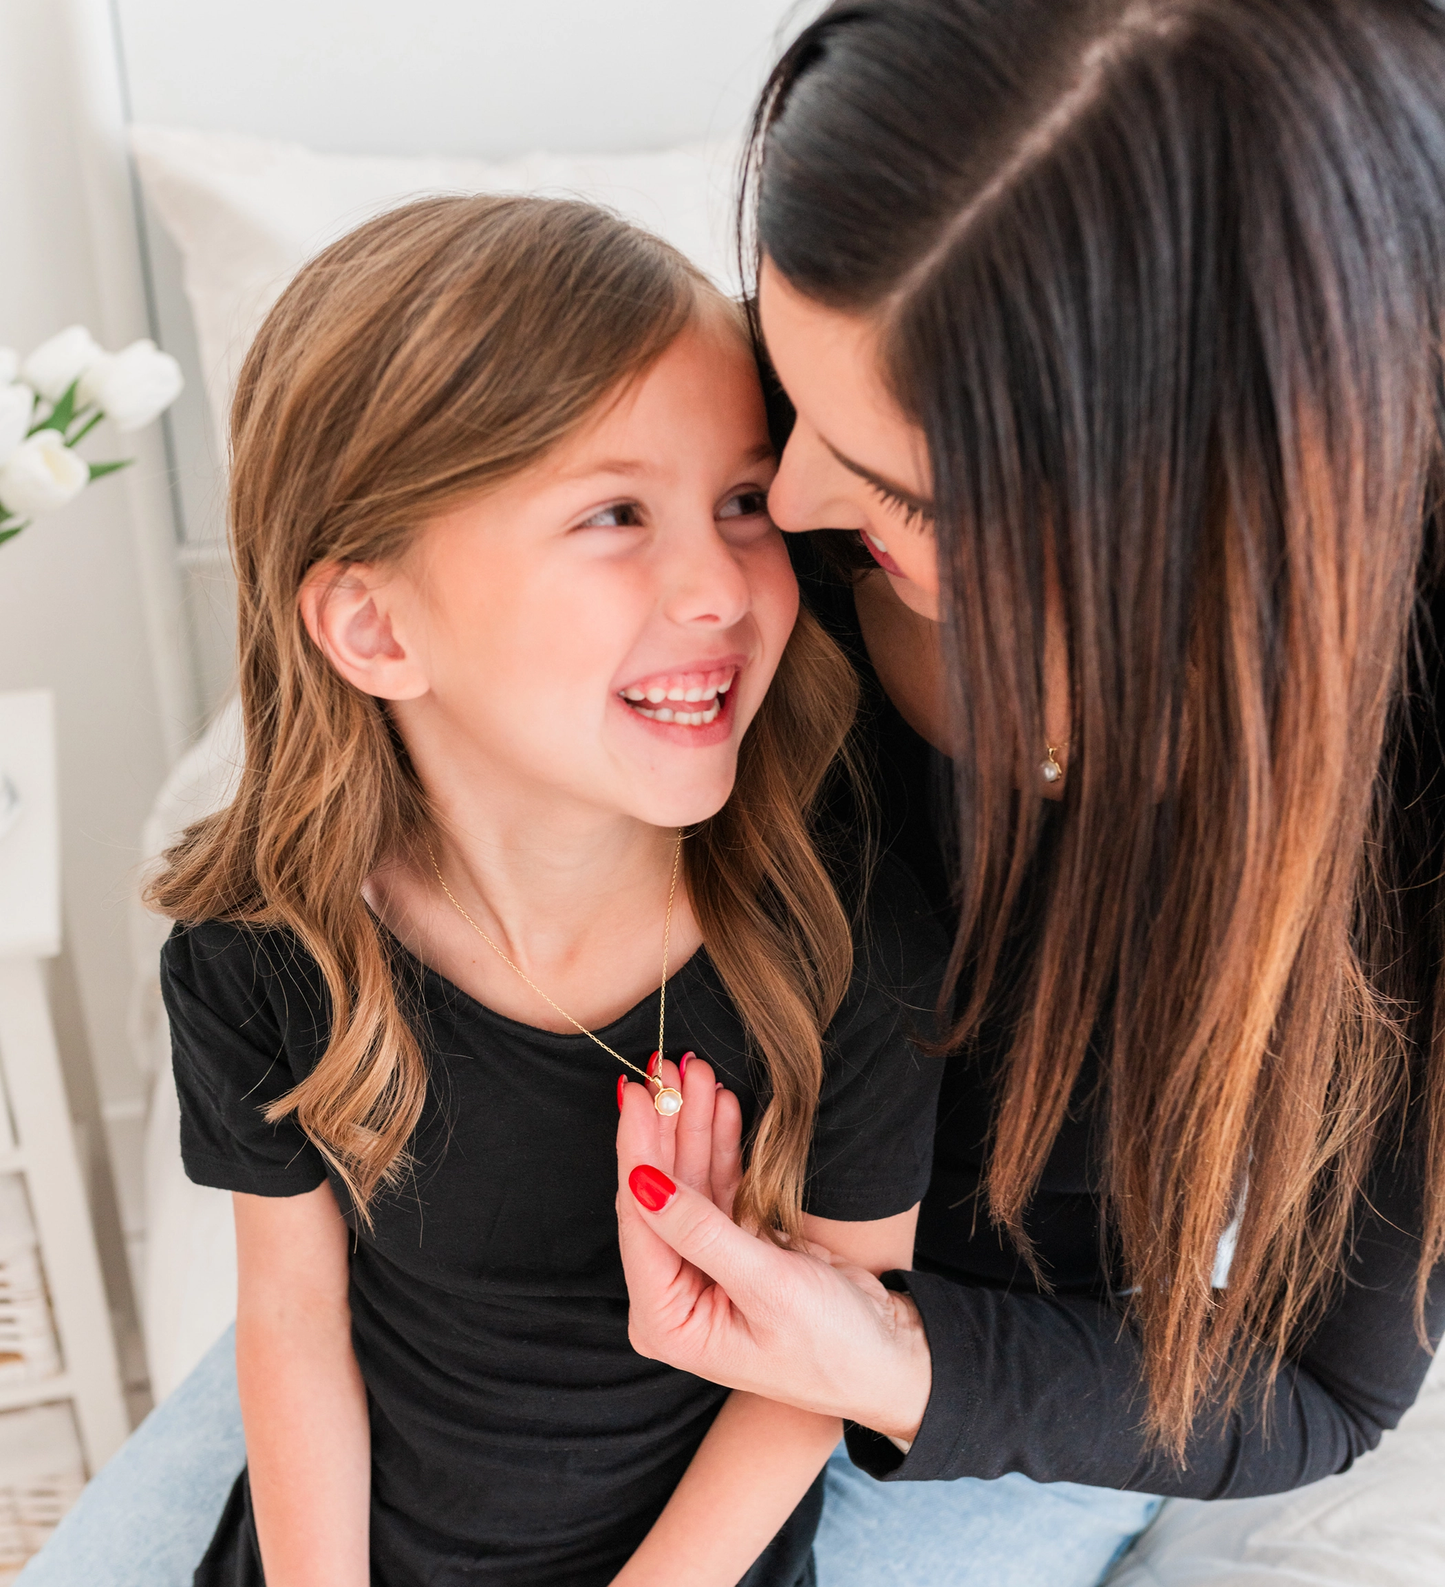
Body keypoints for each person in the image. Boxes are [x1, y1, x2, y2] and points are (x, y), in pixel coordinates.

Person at [615, 1, 1445, 1583]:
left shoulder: (1406, 769)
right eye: (791, 399)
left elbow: (1321, 1383)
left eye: (906, 489)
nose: (780, 507)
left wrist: (871, 1350)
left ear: (1208, 519)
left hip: (977, 1366)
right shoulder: (777, 447)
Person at [28, 194, 946, 1587]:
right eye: (614, 512)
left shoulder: (847, 941)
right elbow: (291, 1325)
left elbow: (821, 1365)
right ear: (378, 627)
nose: (719, 581)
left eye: (743, 500)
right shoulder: (263, 954)